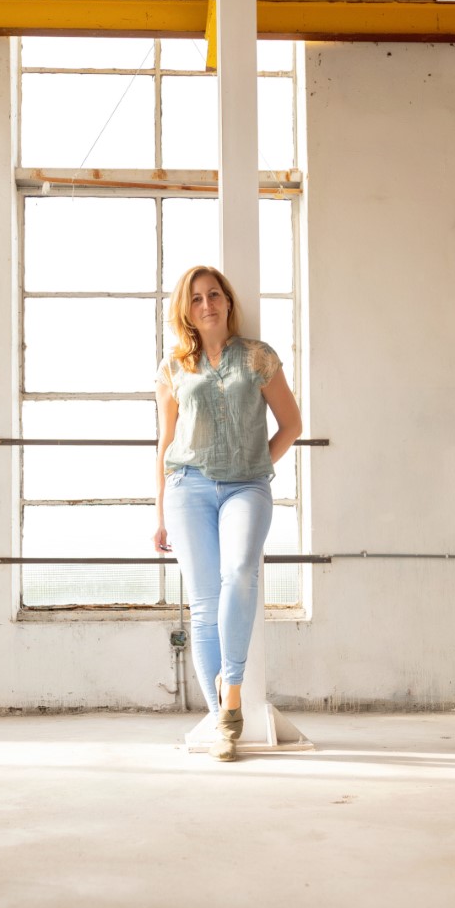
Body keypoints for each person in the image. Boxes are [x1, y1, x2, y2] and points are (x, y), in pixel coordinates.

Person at [153, 265, 302, 761]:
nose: (206, 304)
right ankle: (221, 719)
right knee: (203, 601)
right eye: (195, 299)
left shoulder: (258, 358)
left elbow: (292, 424)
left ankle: (232, 691)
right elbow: (165, 442)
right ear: (186, 311)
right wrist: (159, 512)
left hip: (247, 488)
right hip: (187, 487)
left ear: (227, 301)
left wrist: (255, 465)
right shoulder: (173, 368)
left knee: (239, 573)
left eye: (213, 294)